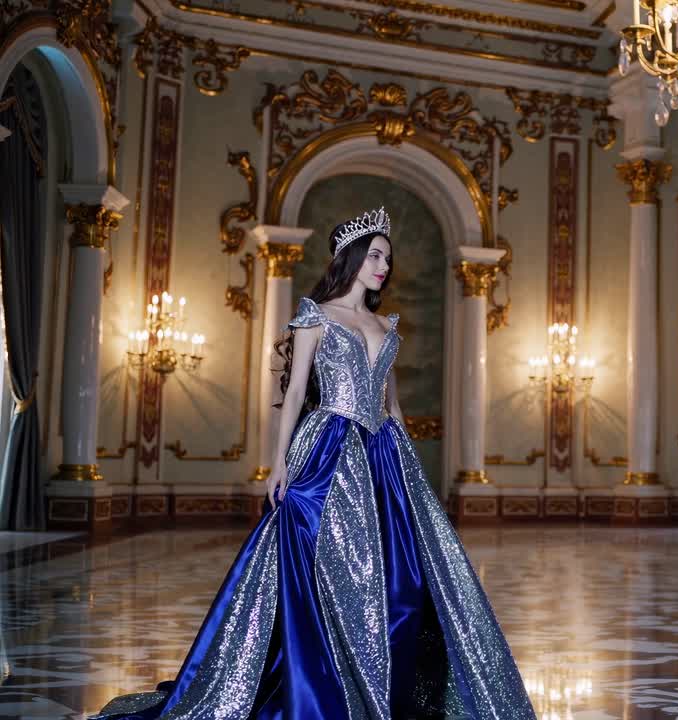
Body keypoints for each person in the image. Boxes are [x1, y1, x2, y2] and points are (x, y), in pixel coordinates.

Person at [93, 208, 537, 720]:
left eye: (388, 260)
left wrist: (411, 469)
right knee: (323, 561)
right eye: (375, 256)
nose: (384, 267)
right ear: (352, 258)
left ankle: (387, 681)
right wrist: (278, 463)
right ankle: (325, 678)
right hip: (329, 447)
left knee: (406, 578)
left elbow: (392, 405)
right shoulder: (315, 317)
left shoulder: (386, 325)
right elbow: (296, 392)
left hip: (385, 453)